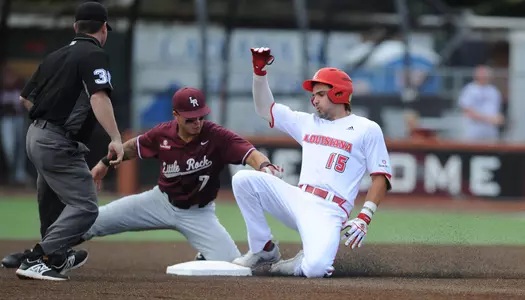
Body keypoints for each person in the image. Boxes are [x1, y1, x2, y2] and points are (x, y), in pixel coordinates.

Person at [231, 47, 392, 278]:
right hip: (297, 198)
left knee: (316, 268)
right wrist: (259, 72)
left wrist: (365, 216)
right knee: (243, 179)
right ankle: (262, 249)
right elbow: (265, 109)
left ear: (337, 94)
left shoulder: (367, 128)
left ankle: (297, 264)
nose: (313, 99)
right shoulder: (308, 123)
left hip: (329, 211)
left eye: (319, 94)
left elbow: (381, 176)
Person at [82, 87, 282, 262]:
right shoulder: (163, 134)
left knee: (230, 264)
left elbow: (250, 153)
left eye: (201, 117)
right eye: (190, 119)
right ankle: (54, 253)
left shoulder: (216, 136)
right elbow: (134, 147)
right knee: (91, 222)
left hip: (199, 213)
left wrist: (265, 166)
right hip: (159, 202)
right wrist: (104, 162)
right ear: (176, 115)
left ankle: (207, 255)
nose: (197, 123)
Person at [7, 2, 124, 281]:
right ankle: (39, 257)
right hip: (56, 140)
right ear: (104, 28)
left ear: (75, 27)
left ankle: (56, 255)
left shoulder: (55, 56)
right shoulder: (94, 54)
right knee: (85, 206)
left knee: (52, 200)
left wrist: (46, 123)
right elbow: (98, 96)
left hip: (35, 135)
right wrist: (116, 138)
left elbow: (26, 98)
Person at [458, 65, 504, 142]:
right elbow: (468, 111)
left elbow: (497, 110)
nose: (484, 76)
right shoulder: (470, 89)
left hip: (490, 129)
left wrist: (499, 119)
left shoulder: (494, 91)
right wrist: (488, 119)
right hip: (474, 128)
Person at [0, 65, 28, 186]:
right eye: (7, 76)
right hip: (6, 120)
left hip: (19, 119)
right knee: (9, 147)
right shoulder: (2, 89)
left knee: (20, 147)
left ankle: (19, 175)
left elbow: (24, 104)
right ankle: (11, 173)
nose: (9, 78)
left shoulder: (20, 88)